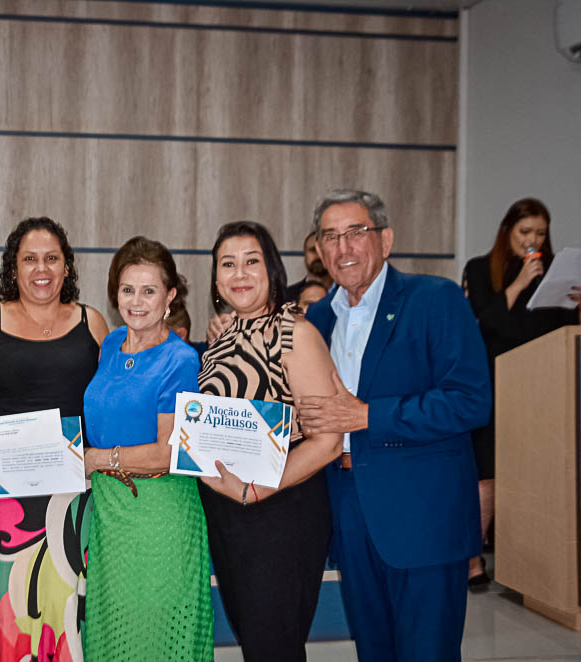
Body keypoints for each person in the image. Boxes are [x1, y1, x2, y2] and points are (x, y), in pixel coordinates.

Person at [298, 189, 491, 662]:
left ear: (385, 240)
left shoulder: (434, 299)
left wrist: (367, 415)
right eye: (330, 236)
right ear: (319, 252)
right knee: (374, 652)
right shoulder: (317, 320)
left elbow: (470, 401)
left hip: (424, 516)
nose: (343, 247)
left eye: (355, 232)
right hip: (348, 510)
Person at [0, 217, 109, 662]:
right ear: (13, 269)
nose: (41, 269)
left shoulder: (92, 322)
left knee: (64, 611)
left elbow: (110, 401)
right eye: (29, 259)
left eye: (52, 258)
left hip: (70, 500)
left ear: (67, 267)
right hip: (0, 501)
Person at [195, 221, 342, 662]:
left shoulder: (296, 333)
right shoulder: (220, 342)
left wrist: (260, 488)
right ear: (217, 280)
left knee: (273, 646)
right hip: (229, 513)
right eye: (228, 264)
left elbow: (329, 441)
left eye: (251, 261)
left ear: (272, 270)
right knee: (256, 642)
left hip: (281, 510)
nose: (239, 273)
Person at [82, 236, 213, 661]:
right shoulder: (110, 345)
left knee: (156, 637)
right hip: (110, 513)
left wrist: (96, 459)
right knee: (112, 633)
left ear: (170, 296)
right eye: (127, 289)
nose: (136, 301)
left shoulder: (180, 360)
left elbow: (168, 450)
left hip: (161, 512)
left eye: (149, 290)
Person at [461, 198, 581, 586]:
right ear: (507, 231)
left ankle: (531, 563)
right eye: (525, 232)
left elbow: (561, 333)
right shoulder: (481, 270)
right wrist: (520, 283)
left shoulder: (556, 273)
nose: (533, 241)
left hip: (542, 385)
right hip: (493, 381)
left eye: (541, 234)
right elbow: (482, 324)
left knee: (539, 472)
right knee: (487, 475)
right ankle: (472, 557)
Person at [285, 230, 332, 303]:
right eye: (313, 250)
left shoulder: (347, 294)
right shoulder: (286, 296)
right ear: (305, 254)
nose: (318, 255)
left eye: (323, 251)